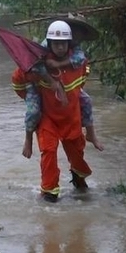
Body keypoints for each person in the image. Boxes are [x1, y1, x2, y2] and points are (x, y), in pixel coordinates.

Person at [12, 20, 92, 202]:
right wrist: (29, 94)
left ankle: (78, 177)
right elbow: (18, 78)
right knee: (48, 151)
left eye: (63, 43)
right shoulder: (36, 63)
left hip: (70, 116)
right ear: (49, 44)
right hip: (47, 117)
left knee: (77, 151)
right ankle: (49, 191)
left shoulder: (78, 61)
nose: (60, 47)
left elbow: (82, 82)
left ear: (69, 44)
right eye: (56, 44)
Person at [20, 15, 104, 160]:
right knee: (33, 112)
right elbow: (35, 65)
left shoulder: (73, 46)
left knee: (87, 101)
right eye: (57, 44)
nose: (78, 36)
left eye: (80, 34)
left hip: (64, 85)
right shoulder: (45, 45)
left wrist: (59, 64)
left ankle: (91, 134)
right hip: (38, 84)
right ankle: (28, 139)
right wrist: (51, 80)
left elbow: (80, 59)